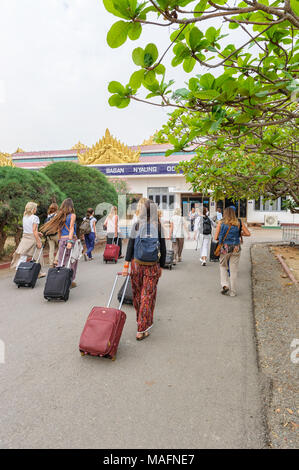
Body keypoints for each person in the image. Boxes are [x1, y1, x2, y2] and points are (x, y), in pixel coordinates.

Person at [122, 199, 166, 341]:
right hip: (152, 266)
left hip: (136, 264)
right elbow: (163, 248)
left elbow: (130, 246)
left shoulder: (136, 225)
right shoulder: (158, 226)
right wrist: (162, 265)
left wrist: (126, 265)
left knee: (137, 295)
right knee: (147, 296)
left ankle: (139, 320)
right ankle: (142, 328)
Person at [41, 198, 79, 288]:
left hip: (62, 240)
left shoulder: (60, 216)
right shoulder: (72, 215)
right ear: (71, 206)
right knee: (73, 261)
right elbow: (71, 228)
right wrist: (70, 241)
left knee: (61, 261)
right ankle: (70, 280)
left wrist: (60, 240)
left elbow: (59, 230)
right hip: (70, 240)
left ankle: (58, 279)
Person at [214, 207, 251, 297]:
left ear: (225, 213)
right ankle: (233, 292)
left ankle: (225, 285)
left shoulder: (220, 222)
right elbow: (248, 233)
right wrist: (240, 233)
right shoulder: (239, 222)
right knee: (233, 270)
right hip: (236, 248)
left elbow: (216, 238)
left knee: (223, 266)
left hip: (225, 248)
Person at [11, 201, 45, 277]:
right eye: (35, 208)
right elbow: (34, 230)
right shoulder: (35, 218)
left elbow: (28, 229)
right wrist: (38, 241)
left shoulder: (24, 217)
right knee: (37, 255)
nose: (36, 210)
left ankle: (18, 273)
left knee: (23, 256)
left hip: (25, 237)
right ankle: (38, 272)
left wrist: (37, 232)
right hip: (32, 238)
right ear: (33, 209)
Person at [45, 203, 59, 267]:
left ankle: (51, 263)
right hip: (56, 234)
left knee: (51, 249)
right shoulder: (57, 215)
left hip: (49, 235)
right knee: (62, 247)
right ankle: (56, 260)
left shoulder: (48, 216)